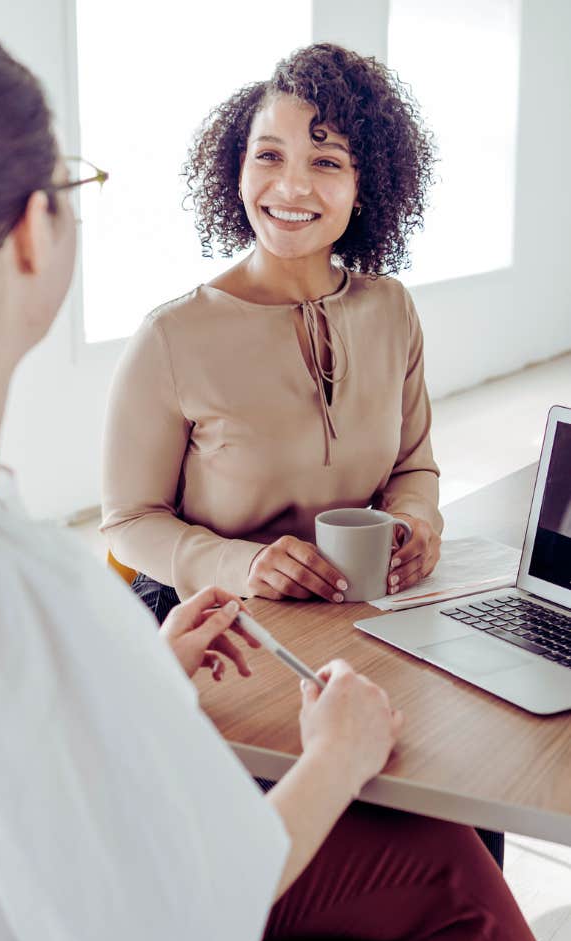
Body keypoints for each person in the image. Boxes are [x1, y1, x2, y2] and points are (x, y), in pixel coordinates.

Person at [0, 18, 562, 941]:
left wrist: (138, 684)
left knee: (441, 866)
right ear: (33, 231)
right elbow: (172, 928)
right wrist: (336, 756)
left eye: (324, 161)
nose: (291, 185)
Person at [101, 44, 444, 626]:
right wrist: (246, 564)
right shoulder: (171, 336)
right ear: (238, 170)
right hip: (204, 618)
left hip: (346, 609)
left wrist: (418, 524)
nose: (290, 188)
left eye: (326, 162)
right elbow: (129, 523)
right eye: (269, 155)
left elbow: (413, 467)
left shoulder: (391, 309)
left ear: (365, 187)